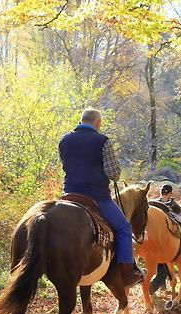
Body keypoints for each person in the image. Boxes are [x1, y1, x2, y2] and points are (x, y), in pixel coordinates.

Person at [59, 107, 144, 287]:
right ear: (97, 123)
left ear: (81, 121)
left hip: (68, 195)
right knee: (123, 228)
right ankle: (128, 273)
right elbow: (113, 174)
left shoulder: (64, 140)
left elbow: (65, 165)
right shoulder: (103, 141)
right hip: (97, 197)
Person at [148, 184, 181, 295]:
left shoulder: (158, 203)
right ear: (170, 193)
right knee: (162, 270)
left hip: (159, 240)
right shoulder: (161, 204)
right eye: (165, 193)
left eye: (165, 193)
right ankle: (150, 289)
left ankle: (161, 285)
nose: (165, 194)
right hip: (163, 242)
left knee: (160, 267)